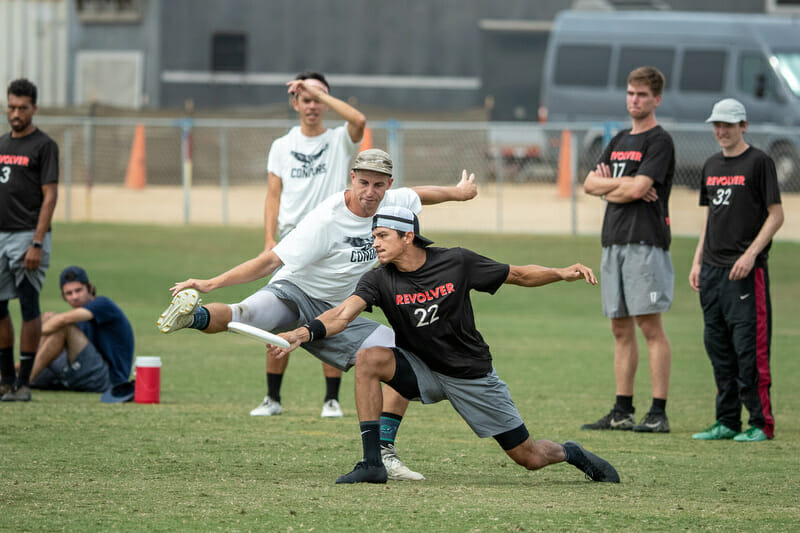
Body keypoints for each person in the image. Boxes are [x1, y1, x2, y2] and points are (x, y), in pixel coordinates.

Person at [157, 148, 477, 481]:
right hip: (295, 292)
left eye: (378, 185)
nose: (370, 193)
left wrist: (459, 193)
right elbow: (270, 261)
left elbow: (422, 195)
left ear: (389, 185)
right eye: (364, 182)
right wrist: (211, 282)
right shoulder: (326, 218)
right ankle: (190, 318)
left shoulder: (395, 204)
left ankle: (384, 454)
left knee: (402, 353)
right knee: (245, 313)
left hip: (337, 312)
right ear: (352, 178)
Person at [269, 206, 619, 484]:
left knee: (529, 457)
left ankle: (571, 453)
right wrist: (302, 333)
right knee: (369, 359)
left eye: (382, 236)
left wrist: (560, 272)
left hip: (470, 375)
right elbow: (343, 314)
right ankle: (372, 462)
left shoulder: (457, 262)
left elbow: (518, 274)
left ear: (408, 237)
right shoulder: (378, 278)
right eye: (373, 236)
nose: (374, 243)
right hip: (422, 369)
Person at [261, 71, 368, 419]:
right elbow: (273, 196)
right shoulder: (281, 145)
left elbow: (358, 119)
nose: (312, 105)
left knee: (331, 316)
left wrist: (317, 90)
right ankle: (272, 399)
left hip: (331, 243)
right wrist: (268, 241)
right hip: (293, 243)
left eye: (318, 99)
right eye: (305, 98)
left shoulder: (340, 140)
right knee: (278, 316)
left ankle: (331, 400)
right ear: (295, 104)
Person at [582, 66, 675, 433]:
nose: (634, 100)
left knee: (650, 326)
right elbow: (589, 184)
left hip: (645, 242)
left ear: (656, 99)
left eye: (642, 95)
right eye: (630, 93)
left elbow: (639, 192)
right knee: (619, 329)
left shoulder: (659, 141)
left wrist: (614, 186)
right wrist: (625, 184)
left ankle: (658, 411)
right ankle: (622, 410)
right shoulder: (620, 138)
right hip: (613, 242)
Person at [689, 99, 783, 443]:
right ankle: (726, 421)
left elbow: (776, 215)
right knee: (718, 349)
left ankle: (760, 423)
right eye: (716, 124)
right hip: (712, 272)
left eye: (728, 125)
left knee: (750, 350)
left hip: (745, 272)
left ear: (743, 126)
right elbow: (710, 217)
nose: (721, 131)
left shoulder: (760, 162)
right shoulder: (711, 164)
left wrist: (750, 255)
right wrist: (698, 261)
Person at [0, 78, 59, 402]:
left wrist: (36, 243)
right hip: (0, 235)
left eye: (22, 108)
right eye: (11, 107)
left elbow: (50, 197)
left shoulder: (44, 146)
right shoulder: (1, 145)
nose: (16, 113)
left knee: (28, 305)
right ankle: (5, 379)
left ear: (34, 108)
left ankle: (24, 383)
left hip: (26, 236)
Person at [28, 266, 135, 402]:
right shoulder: (78, 319)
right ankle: (17, 376)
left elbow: (63, 320)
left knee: (60, 323)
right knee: (48, 317)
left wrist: (32, 333)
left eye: (78, 290)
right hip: (77, 370)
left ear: (89, 287)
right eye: (69, 293)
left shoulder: (103, 304)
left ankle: (23, 383)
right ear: (63, 296)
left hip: (107, 378)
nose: (75, 297)